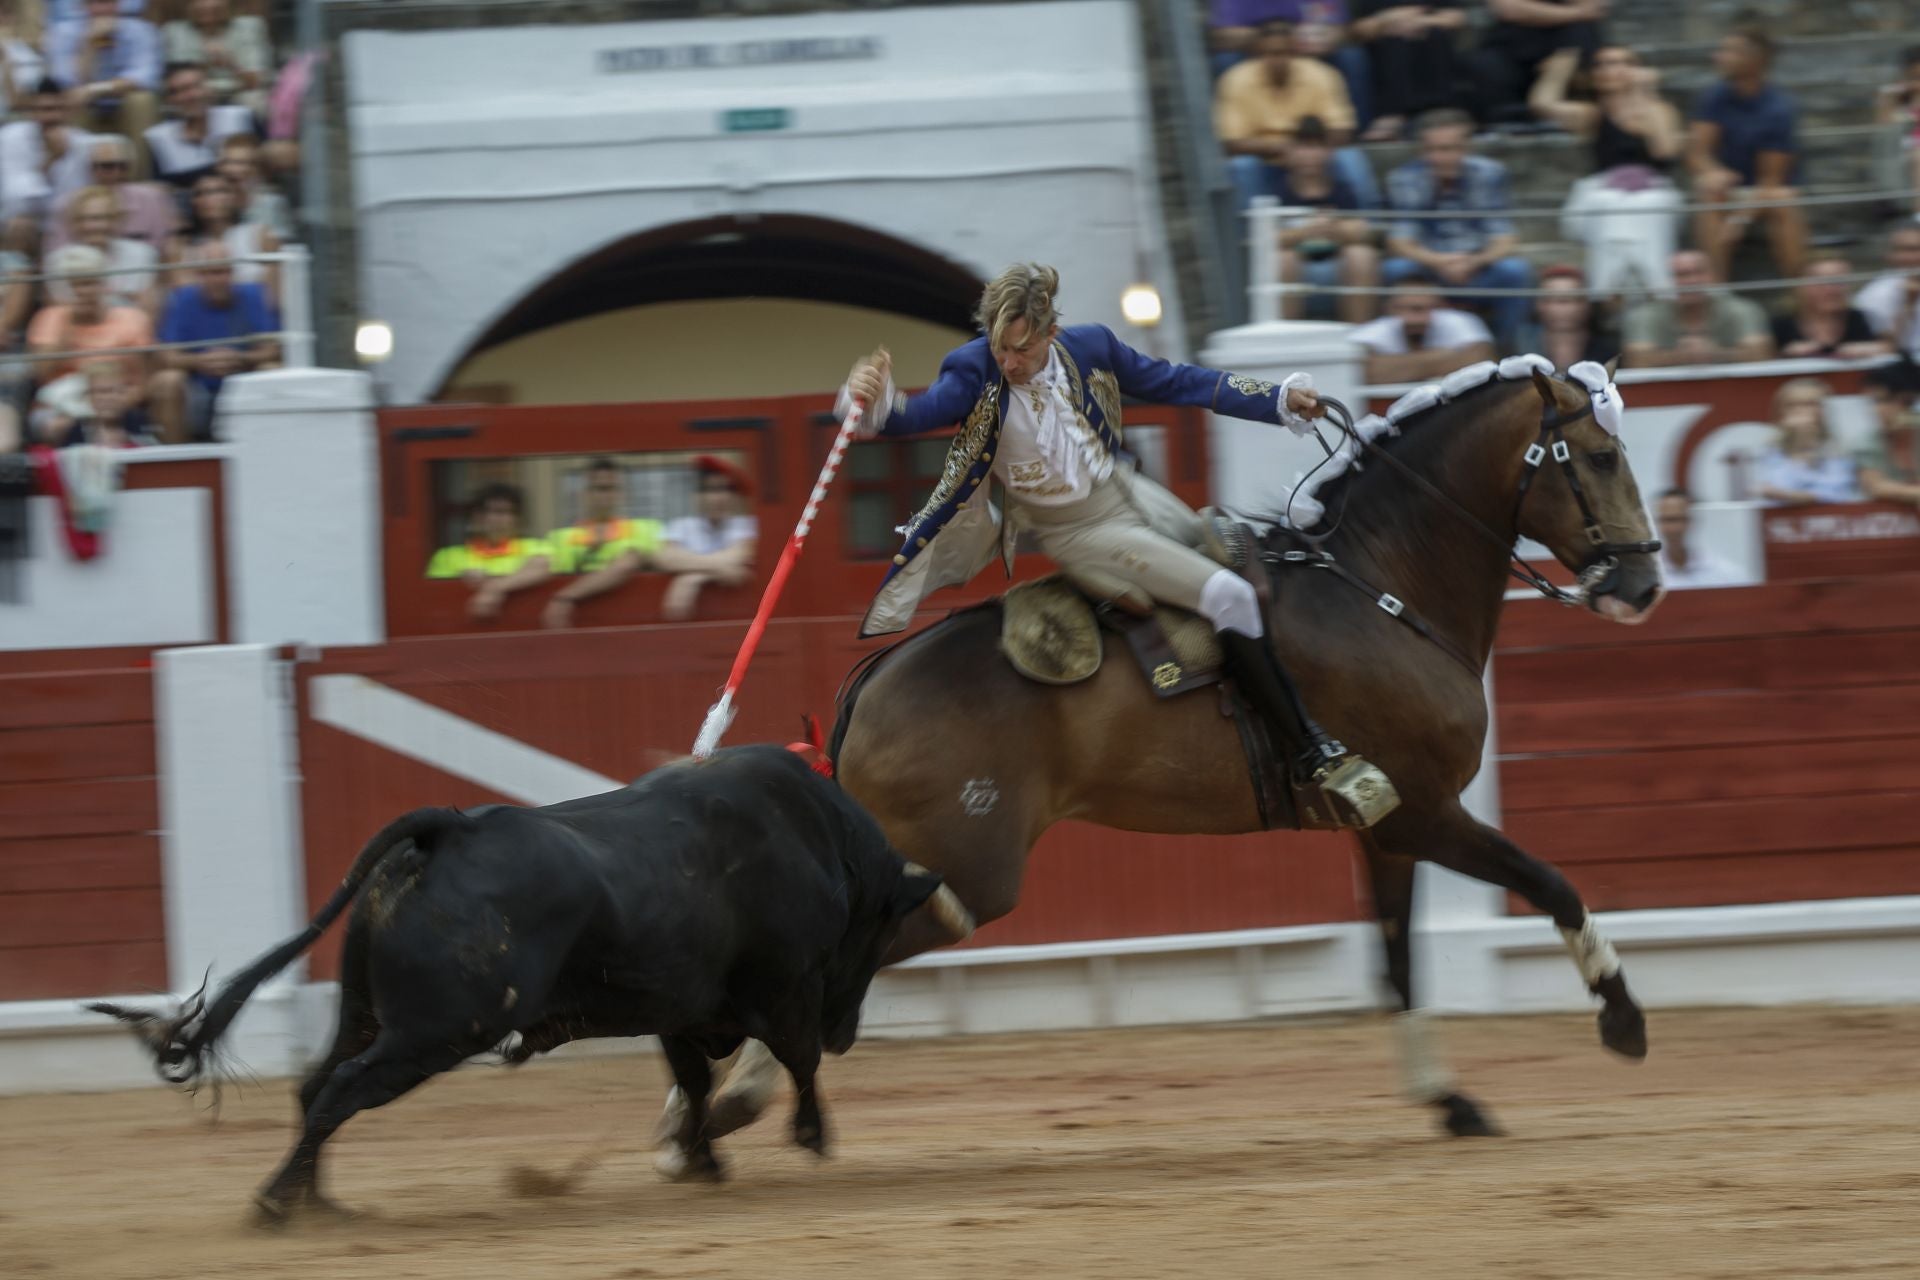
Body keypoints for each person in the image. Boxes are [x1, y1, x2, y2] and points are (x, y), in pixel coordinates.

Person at [835, 262, 1392, 827]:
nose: (1008, 362)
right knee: (1231, 597)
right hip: (1080, 530)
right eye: (1000, 347)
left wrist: (1276, 398)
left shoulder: (1091, 347)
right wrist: (877, 403)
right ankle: (1309, 750)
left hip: (1130, 491)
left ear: (1051, 333)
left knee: (1245, 556)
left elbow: (1176, 380)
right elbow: (918, 415)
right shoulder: (972, 369)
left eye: (1022, 349)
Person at [1532, 45, 1685, 299]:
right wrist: (1559, 69)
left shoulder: (1659, 110)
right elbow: (1542, 105)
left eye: (1618, 63)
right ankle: (1617, 292)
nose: (1607, 70)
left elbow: (1664, 150)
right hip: (1604, 194)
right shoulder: (1592, 114)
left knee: (1647, 206)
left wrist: (1643, 92)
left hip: (1653, 194)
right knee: (1609, 205)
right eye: (1601, 64)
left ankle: (1634, 290)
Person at [1381, 108, 1533, 350]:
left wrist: (1474, 262)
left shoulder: (1490, 174)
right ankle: (1398, 351)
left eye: (1448, 149)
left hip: (1478, 266)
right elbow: (1400, 241)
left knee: (1515, 271)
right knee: (1395, 269)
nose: (1439, 158)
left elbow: (1504, 237)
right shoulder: (1404, 178)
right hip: (1428, 269)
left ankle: (1505, 350)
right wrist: (1440, 262)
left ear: (1466, 148)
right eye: (1431, 150)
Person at [1214, 20, 1380, 215]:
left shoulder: (1322, 74)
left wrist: (1308, 152)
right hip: (1265, 161)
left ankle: (1371, 221)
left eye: (1285, 52)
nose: (1278, 60)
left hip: (1316, 154)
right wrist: (1287, 149)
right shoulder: (1235, 79)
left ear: (1295, 52)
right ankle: (1250, 230)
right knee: (1241, 165)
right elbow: (1231, 143)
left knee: (1349, 157)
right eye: (1270, 53)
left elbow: (1343, 131)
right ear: (1257, 54)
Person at [1688, 24, 1807, 283]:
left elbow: (1771, 181)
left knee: (1783, 201)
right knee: (1708, 190)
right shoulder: (1714, 97)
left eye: (1729, 51)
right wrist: (1712, 171)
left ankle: (1799, 288)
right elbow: (1697, 153)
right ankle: (1715, 291)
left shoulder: (1778, 108)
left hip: (1766, 190)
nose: (1718, 57)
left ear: (1755, 60)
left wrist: (1740, 220)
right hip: (1730, 189)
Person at [150, 238, 278, 442]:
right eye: (210, 272)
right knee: (167, 381)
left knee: (272, 370)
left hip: (244, 376)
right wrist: (200, 361)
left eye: (224, 271)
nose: (218, 279)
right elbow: (167, 356)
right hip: (196, 383)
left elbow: (272, 349)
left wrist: (240, 358)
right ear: (198, 274)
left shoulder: (254, 294)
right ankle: (177, 457)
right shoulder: (183, 298)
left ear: (233, 272)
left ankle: (269, 446)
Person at [1269, 115, 1379, 324]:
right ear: (1289, 152)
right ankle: (1287, 333)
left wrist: (1335, 229)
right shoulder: (1279, 191)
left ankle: (1357, 332)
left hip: (1337, 250)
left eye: (1316, 147)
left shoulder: (1341, 190)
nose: (1309, 155)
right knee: (1283, 259)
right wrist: (1304, 233)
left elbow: (1361, 230)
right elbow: (1268, 238)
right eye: (1302, 147)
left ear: (1329, 152)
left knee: (1362, 255)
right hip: (1296, 253)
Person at [1620, 250, 1773, 368]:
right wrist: (1681, 355)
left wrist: (1714, 353)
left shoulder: (1741, 309)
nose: (1691, 281)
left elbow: (1761, 355)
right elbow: (1636, 361)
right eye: (1681, 275)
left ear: (1714, 277)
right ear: (1667, 281)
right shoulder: (1646, 315)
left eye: (1698, 272)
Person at [427, 482, 553, 619]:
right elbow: (434, 598)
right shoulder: (447, 555)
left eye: (503, 512)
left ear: (517, 519)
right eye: (486, 512)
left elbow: (542, 567)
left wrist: (493, 588)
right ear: (475, 517)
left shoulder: (533, 546)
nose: (494, 518)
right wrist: (461, 578)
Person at [659, 453, 759, 622]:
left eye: (725, 490)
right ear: (697, 496)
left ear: (734, 497)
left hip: (741, 618)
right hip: (690, 623)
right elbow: (666, 557)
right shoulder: (681, 526)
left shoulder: (748, 525)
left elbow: (741, 554)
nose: (718, 498)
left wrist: (691, 578)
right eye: (711, 490)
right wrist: (720, 569)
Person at [1352, 270, 1496, 382]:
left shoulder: (1461, 321)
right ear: (1389, 309)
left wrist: (1395, 366)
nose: (1412, 318)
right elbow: (1364, 373)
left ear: (1440, 307)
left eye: (1421, 308)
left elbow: (1482, 363)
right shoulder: (1374, 330)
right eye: (1402, 308)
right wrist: (1447, 357)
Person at [1752, 377, 1861, 507]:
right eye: (1791, 405)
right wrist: (1798, 444)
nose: (1799, 411)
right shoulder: (1768, 448)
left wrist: (1793, 495)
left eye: (1809, 404)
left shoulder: (1843, 445)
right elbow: (1773, 489)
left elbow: (1838, 492)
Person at [1770, 258, 1891, 361]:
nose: (1832, 290)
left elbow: (1891, 348)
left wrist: (1875, 349)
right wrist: (1785, 354)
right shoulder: (1780, 324)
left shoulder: (1860, 318)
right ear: (1799, 286)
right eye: (1821, 282)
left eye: (1840, 282)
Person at [1512, 264, 1619, 371]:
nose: (1562, 308)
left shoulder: (1610, 347)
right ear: (1538, 304)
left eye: (1571, 299)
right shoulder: (1518, 346)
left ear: (1587, 304)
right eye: (1553, 299)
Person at [1856, 358, 1920, 507]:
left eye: (1886, 401)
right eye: (1875, 402)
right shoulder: (1867, 442)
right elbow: (1877, 487)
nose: (1878, 410)